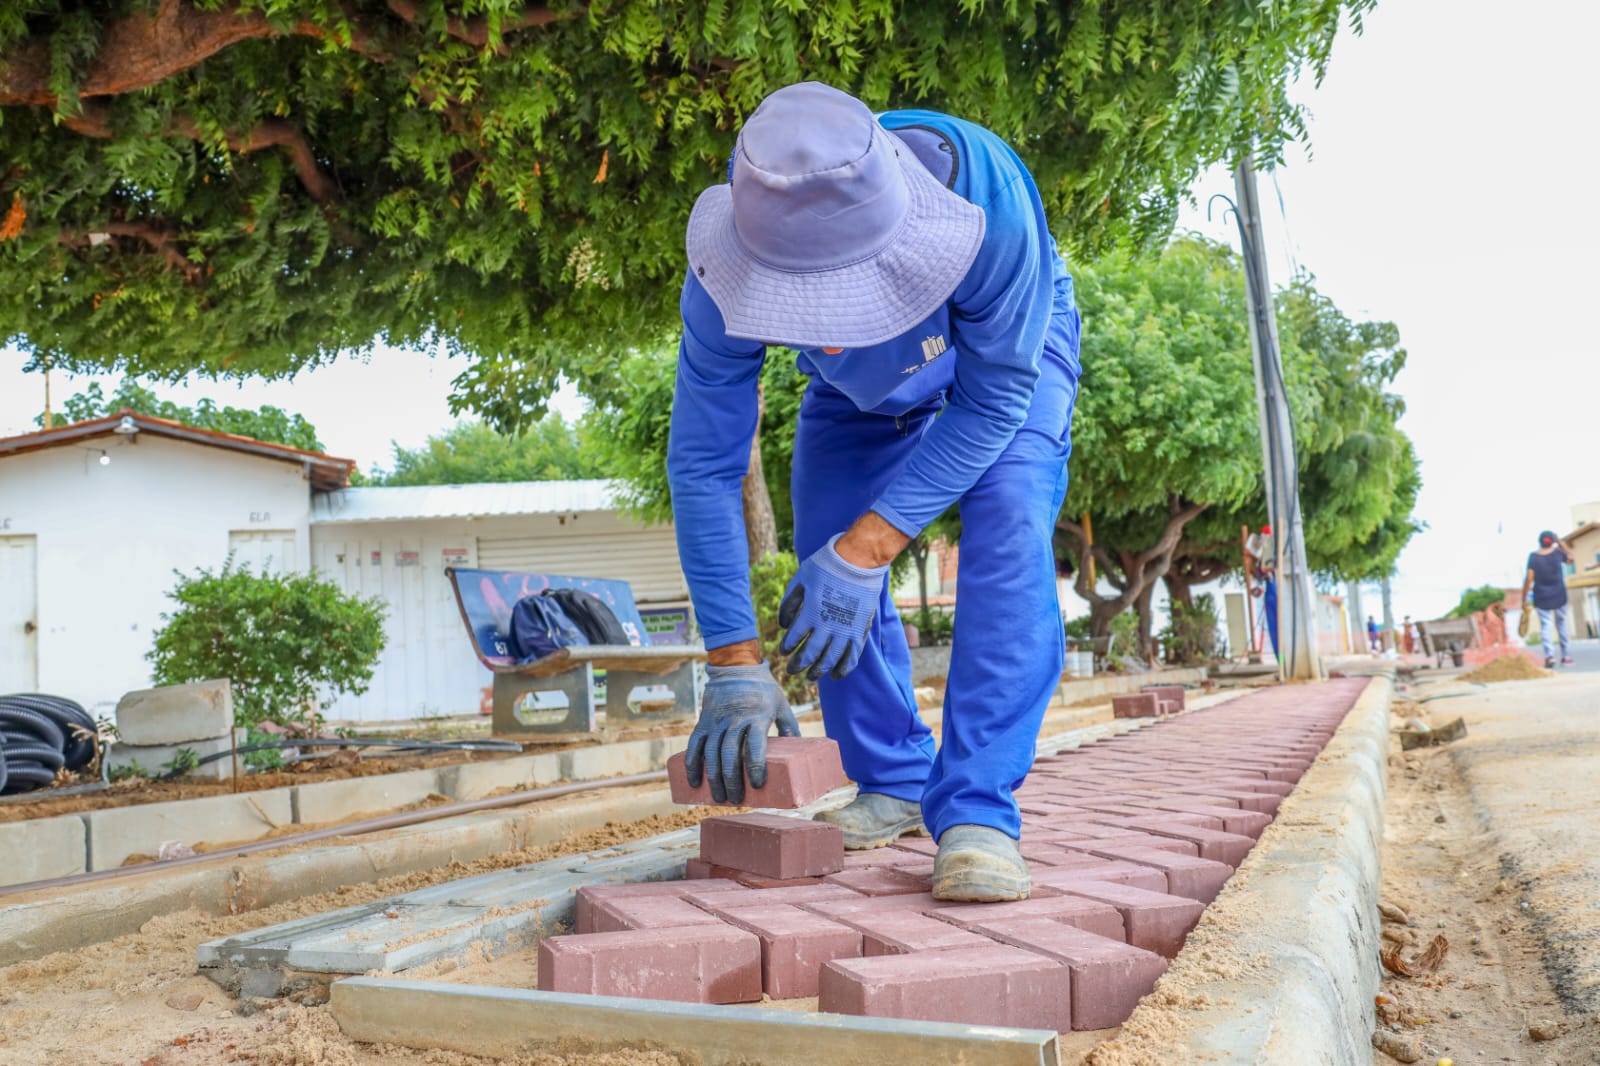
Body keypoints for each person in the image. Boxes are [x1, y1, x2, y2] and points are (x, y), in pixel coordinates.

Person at [667, 82, 1080, 903]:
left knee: (1008, 529)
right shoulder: (733, 247)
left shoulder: (983, 197)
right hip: (852, 392)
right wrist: (733, 662)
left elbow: (996, 399)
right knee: (826, 539)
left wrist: (874, 545)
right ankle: (892, 777)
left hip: (1000, 363)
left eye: (840, 301)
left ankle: (976, 811)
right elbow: (704, 465)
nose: (821, 327)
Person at [1521, 530, 1575, 667]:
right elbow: (1571, 558)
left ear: (1539, 542)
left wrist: (1524, 598)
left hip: (1541, 596)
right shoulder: (1558, 553)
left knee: (1546, 625)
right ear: (1552, 541)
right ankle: (1566, 657)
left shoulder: (1533, 557)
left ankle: (1550, 656)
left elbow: (1529, 578)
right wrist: (1561, 542)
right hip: (1559, 595)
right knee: (1562, 624)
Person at [1243, 525, 1278, 659]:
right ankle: (1282, 664)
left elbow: (1266, 573)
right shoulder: (1264, 557)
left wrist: (1250, 562)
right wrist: (1249, 564)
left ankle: (1286, 664)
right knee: (1275, 631)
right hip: (1271, 592)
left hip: (1275, 592)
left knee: (1279, 629)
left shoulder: (1274, 553)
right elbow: (1260, 575)